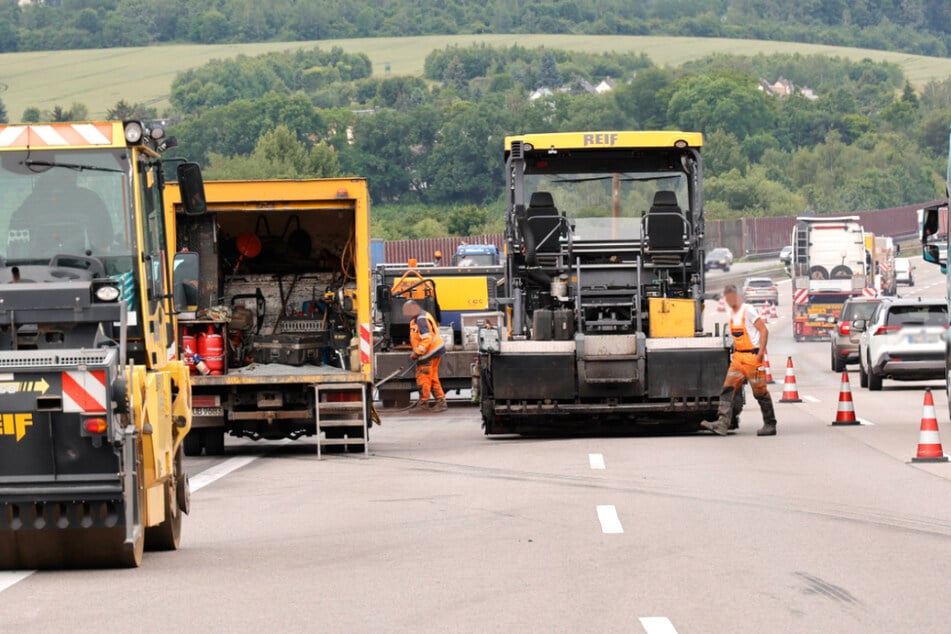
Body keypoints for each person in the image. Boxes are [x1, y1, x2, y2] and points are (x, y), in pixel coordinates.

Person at [701, 284, 778, 436]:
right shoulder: (731, 312)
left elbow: (764, 330)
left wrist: (760, 354)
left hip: (751, 358)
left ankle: (770, 424)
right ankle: (722, 424)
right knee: (728, 389)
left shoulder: (747, 310)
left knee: (760, 392)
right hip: (738, 359)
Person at [9, 169, 113, 255]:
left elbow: (104, 244)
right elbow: (16, 247)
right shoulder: (91, 200)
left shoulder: (31, 203)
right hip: (85, 268)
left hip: (35, 272)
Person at [402, 299, 447, 412]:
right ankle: (441, 402)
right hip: (434, 351)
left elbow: (427, 339)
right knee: (432, 377)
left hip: (429, 353)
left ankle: (423, 403)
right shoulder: (420, 316)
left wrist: (417, 352)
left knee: (424, 378)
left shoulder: (421, 319)